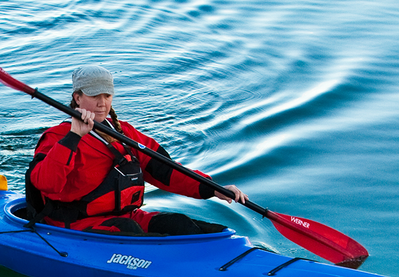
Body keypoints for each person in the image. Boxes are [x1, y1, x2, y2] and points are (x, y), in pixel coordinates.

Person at [26, 65, 247, 235]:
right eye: (95, 96)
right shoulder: (57, 137)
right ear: (77, 97)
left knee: (181, 224)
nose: (103, 103)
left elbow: (165, 170)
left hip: (126, 217)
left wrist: (211, 188)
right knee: (129, 230)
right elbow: (45, 183)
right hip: (75, 225)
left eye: (107, 95)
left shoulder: (125, 133)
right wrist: (74, 136)